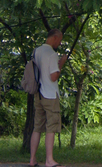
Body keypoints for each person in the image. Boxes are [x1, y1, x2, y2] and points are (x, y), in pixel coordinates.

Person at [29, 29, 67, 167]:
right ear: (55, 38)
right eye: (60, 40)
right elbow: (53, 76)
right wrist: (61, 63)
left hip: (38, 93)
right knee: (51, 127)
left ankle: (32, 159)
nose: (60, 43)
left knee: (37, 127)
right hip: (50, 94)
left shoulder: (36, 51)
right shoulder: (52, 54)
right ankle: (49, 160)